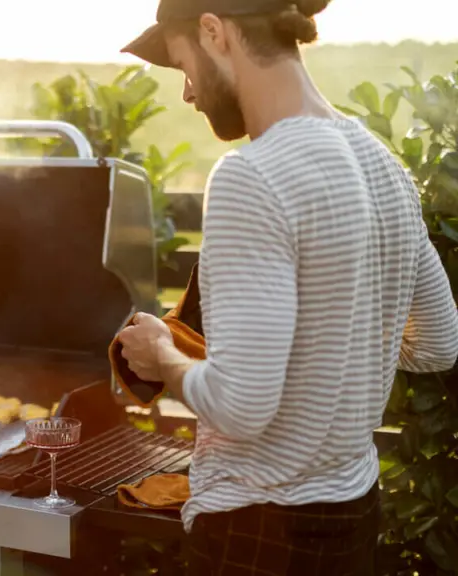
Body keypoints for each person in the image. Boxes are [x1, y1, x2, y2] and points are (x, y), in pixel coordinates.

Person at [115, 0, 458, 574]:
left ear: (212, 32)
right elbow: (436, 344)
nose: (188, 94)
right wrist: (336, 341)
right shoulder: (386, 168)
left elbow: (239, 406)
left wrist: (163, 356)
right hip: (352, 516)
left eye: (182, 65)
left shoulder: (253, 174)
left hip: (255, 531)